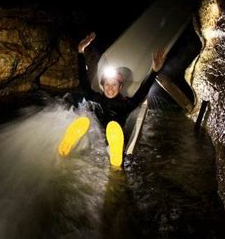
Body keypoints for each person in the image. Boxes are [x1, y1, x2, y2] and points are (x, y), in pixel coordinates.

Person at [58, 32, 167, 167]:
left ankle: (115, 152)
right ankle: (69, 145)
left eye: (114, 84)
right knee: (85, 121)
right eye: (107, 85)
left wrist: (154, 71)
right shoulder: (95, 98)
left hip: (114, 139)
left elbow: (142, 91)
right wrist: (80, 52)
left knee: (113, 128)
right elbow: (83, 80)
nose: (110, 88)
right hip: (95, 138)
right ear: (102, 87)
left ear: (120, 87)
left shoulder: (126, 104)